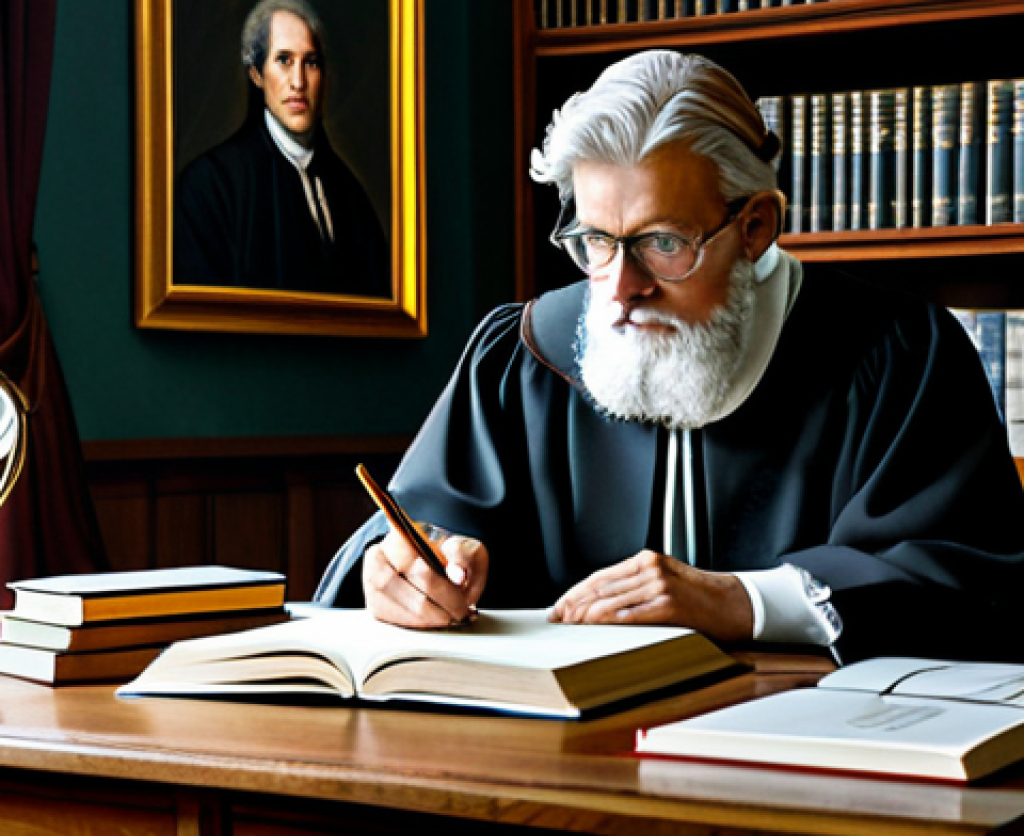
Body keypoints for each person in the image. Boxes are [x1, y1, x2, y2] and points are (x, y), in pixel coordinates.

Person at [316, 50, 1024, 664]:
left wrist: (738, 601)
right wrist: (411, 573)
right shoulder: (524, 353)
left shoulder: (899, 354)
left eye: (663, 242)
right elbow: (415, 531)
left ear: (754, 227)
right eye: (595, 240)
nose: (621, 290)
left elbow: (973, 583)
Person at [174, 0, 390, 297]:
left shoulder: (351, 198)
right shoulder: (210, 185)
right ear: (256, 73)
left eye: (311, 63)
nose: (298, 82)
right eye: (284, 61)